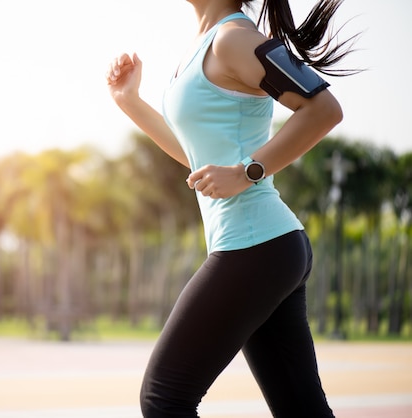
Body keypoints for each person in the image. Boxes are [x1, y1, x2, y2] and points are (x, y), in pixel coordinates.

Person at [106, 0, 358, 417]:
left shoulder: (234, 40)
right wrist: (129, 101)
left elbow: (323, 110)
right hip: (265, 248)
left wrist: (247, 171)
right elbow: (195, 156)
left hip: (256, 246)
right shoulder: (204, 44)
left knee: (164, 398)